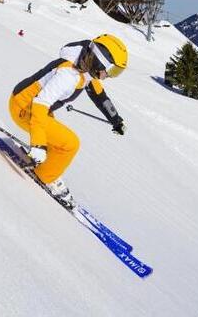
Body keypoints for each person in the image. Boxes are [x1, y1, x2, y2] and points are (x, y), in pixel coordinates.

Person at [8, 34, 127, 207]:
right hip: (25, 108)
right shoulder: (68, 75)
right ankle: (44, 176)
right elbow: (40, 104)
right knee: (70, 144)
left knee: (58, 142)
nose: (109, 76)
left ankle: (48, 167)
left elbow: (99, 95)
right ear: (101, 62)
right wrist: (38, 144)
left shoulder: (85, 65)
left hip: (33, 106)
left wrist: (115, 119)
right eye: (112, 71)